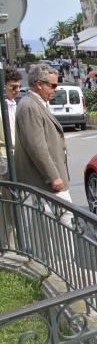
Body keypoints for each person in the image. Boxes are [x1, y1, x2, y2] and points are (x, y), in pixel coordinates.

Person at [14, 64, 71, 201]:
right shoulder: (29, 106)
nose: (55, 89)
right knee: (66, 219)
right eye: (53, 85)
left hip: (48, 184)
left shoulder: (35, 103)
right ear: (39, 84)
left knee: (65, 219)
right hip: (45, 184)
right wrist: (53, 177)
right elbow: (36, 147)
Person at [0, 69, 22, 249]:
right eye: (13, 87)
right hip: (5, 161)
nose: (17, 90)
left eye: (19, 87)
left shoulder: (14, 104)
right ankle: (10, 248)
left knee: (16, 206)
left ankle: (16, 245)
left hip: (16, 158)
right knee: (9, 208)